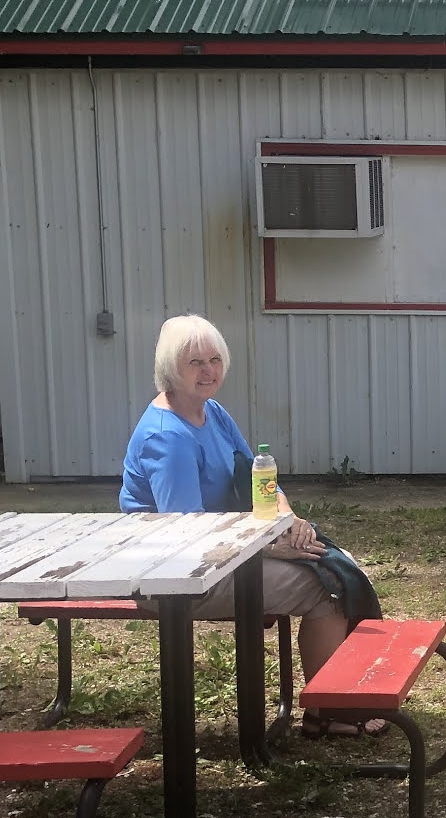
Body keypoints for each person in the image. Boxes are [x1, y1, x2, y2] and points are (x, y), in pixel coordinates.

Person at [119, 314, 375, 737]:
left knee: (337, 562)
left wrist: (289, 521)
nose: (208, 371)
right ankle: (327, 713)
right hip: (176, 575)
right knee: (325, 586)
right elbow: (187, 533)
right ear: (170, 369)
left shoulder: (211, 412)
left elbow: (259, 476)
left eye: (214, 359)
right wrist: (272, 547)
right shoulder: (168, 437)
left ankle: (337, 701)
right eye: (195, 362)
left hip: (225, 552)